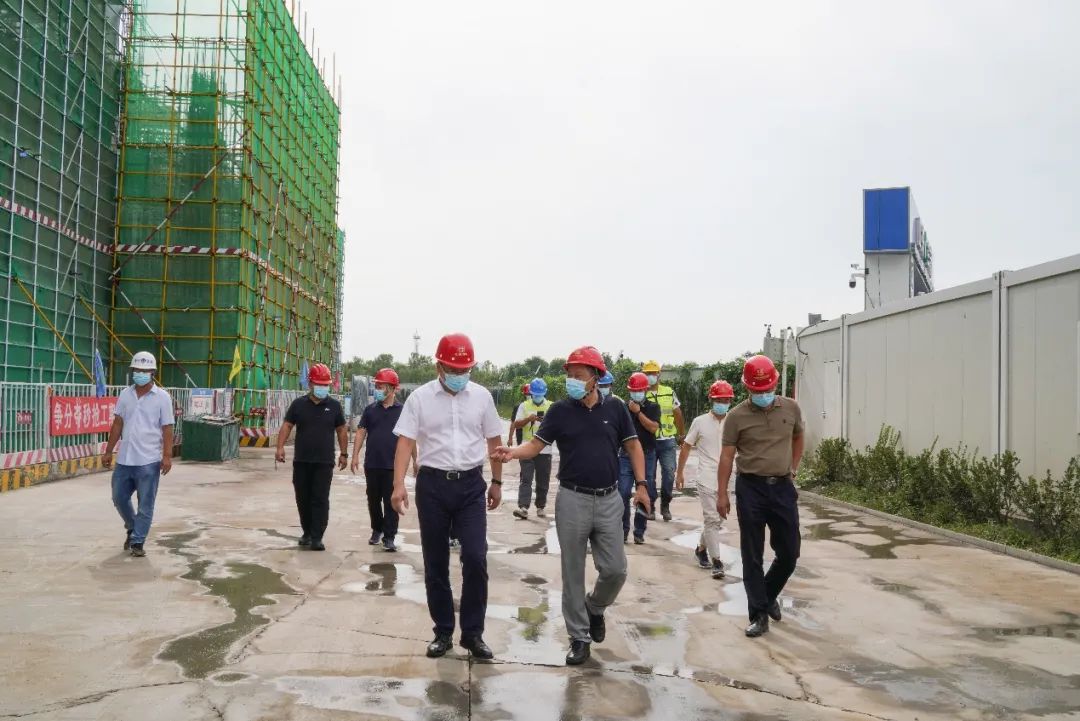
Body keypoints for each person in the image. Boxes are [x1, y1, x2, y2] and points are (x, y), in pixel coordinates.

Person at [494, 346, 650, 666]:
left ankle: (595, 607)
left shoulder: (617, 408)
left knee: (616, 570)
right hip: (572, 499)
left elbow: (634, 446)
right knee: (573, 572)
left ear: (595, 378)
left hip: (609, 500)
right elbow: (535, 445)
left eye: (579, 375)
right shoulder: (560, 411)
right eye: (570, 375)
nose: (572, 381)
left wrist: (642, 485)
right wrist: (512, 452)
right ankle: (579, 637)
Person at [391, 333, 503, 661]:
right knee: (435, 561)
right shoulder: (419, 399)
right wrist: (398, 485)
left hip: (471, 486)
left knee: (476, 557)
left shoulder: (482, 397)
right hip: (433, 487)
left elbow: (494, 440)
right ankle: (443, 631)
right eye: (453, 369)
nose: (459, 374)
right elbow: (405, 442)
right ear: (439, 366)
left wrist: (496, 482)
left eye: (465, 369)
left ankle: (473, 633)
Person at [717, 355, 805, 638]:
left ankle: (767, 596)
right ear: (747, 388)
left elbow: (798, 437)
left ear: (775, 384)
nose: (763, 394)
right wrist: (722, 493)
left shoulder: (791, 408)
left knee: (789, 552)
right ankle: (758, 615)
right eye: (757, 390)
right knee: (752, 554)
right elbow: (727, 456)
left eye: (767, 389)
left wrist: (793, 467)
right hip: (750, 488)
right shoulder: (736, 417)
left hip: (782, 488)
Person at [102, 351, 174, 558]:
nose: (140, 374)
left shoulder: (162, 398)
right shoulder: (125, 394)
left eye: (145, 370)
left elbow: (167, 428)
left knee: (145, 505)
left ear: (152, 373)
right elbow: (118, 423)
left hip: (148, 460)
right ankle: (132, 526)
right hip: (125, 459)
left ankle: (137, 541)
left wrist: (167, 456)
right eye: (137, 370)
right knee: (118, 497)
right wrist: (108, 451)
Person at [275, 363, 348, 551]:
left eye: (325, 385)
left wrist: (344, 454)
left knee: (320, 499)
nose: (323, 388)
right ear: (310, 384)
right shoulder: (298, 405)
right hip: (302, 461)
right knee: (303, 498)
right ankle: (307, 532)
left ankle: (317, 536)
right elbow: (287, 425)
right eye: (319, 384)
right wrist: (280, 447)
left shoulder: (334, 406)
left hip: (324, 462)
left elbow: (341, 430)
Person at [351, 367, 416, 552]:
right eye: (377, 386)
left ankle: (389, 537)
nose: (377, 390)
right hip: (372, 464)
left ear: (392, 388)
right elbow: (361, 432)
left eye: (381, 386)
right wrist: (355, 455)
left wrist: (415, 460)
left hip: (393, 466)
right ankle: (377, 529)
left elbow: (410, 438)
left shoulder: (403, 411)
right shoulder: (370, 410)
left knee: (391, 502)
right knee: (373, 500)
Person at [676, 380, 735, 579]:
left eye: (726, 400)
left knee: (717, 520)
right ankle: (717, 561)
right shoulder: (700, 422)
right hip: (706, 478)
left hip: (727, 478)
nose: (723, 403)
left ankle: (701, 549)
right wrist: (679, 473)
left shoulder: (734, 421)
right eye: (719, 400)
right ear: (711, 399)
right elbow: (686, 447)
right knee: (711, 519)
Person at [619, 372, 660, 544]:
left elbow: (653, 428)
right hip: (626, 456)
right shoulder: (622, 408)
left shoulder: (653, 407)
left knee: (645, 492)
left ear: (646, 390)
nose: (636, 393)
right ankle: (623, 530)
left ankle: (639, 531)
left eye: (639, 390)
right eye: (633, 390)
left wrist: (638, 412)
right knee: (623, 492)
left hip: (647, 455)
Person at [643, 360, 685, 521]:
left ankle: (665, 504)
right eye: (647, 373)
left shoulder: (668, 392)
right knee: (649, 476)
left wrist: (681, 435)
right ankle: (651, 507)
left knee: (669, 473)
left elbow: (678, 413)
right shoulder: (641, 394)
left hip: (667, 440)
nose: (650, 376)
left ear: (658, 374)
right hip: (649, 441)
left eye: (652, 373)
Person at [510, 378, 553, 520]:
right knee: (526, 478)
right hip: (526, 448)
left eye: (540, 394)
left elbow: (557, 426)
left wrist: (545, 421)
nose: (537, 397)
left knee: (543, 480)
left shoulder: (551, 406)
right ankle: (523, 507)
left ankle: (540, 506)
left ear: (544, 393)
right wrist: (528, 419)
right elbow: (516, 424)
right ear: (531, 393)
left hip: (544, 450)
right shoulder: (524, 406)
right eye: (535, 394)